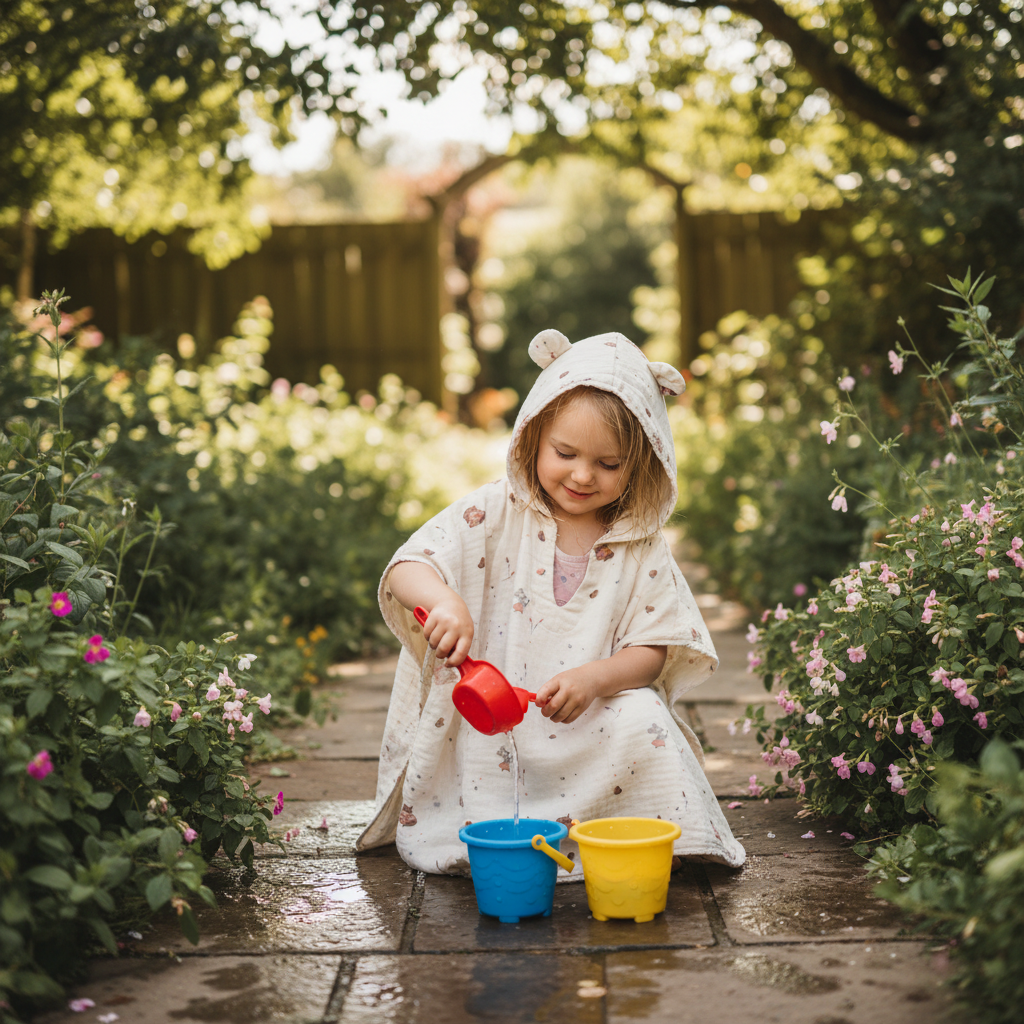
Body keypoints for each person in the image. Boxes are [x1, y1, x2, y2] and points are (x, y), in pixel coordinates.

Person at [356, 328, 746, 876]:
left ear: (643, 463)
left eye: (609, 465)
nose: (583, 475)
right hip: (493, 720)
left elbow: (657, 647)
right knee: (470, 736)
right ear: (533, 436)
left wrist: (598, 679)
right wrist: (443, 601)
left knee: (641, 716)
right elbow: (406, 568)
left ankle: (627, 835)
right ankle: (497, 835)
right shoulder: (496, 511)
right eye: (565, 453)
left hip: (589, 722)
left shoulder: (639, 545)